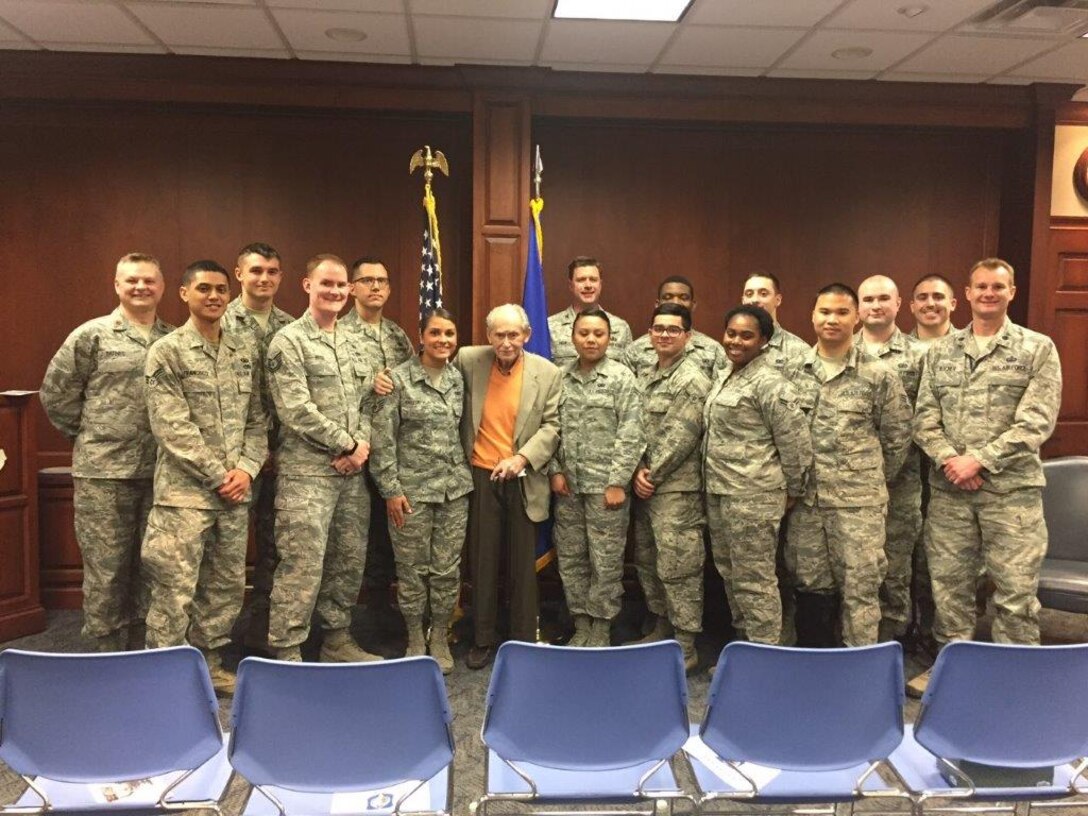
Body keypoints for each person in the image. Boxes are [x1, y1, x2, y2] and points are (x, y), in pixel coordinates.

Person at [910, 258, 1062, 696]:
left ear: (1011, 292)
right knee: (950, 589)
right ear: (969, 292)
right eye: (981, 286)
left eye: (998, 286)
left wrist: (979, 460)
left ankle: (1015, 679)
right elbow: (924, 418)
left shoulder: (1037, 348)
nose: (989, 293)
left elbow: (1036, 422)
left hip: (1011, 495)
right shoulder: (940, 351)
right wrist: (950, 461)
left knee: (1015, 595)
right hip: (950, 492)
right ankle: (953, 674)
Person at [142, 260, 268, 693]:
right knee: (174, 591)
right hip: (184, 498)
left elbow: (258, 420)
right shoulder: (168, 351)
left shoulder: (242, 352)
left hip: (234, 496)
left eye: (220, 289)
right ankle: (166, 674)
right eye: (203, 289)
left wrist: (247, 470)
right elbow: (171, 428)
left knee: (225, 587)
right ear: (184, 294)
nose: (214, 296)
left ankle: (210, 665)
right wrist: (220, 476)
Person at [40, 252, 173, 651]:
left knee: (155, 569)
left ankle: (148, 652)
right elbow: (56, 395)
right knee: (107, 571)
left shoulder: (175, 339)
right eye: (131, 280)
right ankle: (106, 654)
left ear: (162, 287)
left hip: (161, 475)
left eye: (149, 280)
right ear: (117, 285)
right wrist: (91, 438)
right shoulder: (92, 336)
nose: (140, 287)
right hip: (103, 475)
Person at [266, 254, 381, 663]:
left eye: (340, 286)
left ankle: (336, 640)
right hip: (307, 476)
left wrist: (360, 448)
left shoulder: (353, 342)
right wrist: (347, 445)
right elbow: (295, 409)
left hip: (351, 476)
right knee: (301, 565)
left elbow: (369, 401)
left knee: (347, 561)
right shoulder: (289, 341)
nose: (333, 291)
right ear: (307, 286)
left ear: (349, 291)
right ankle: (286, 648)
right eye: (325, 284)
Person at [783, 283, 912, 648]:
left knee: (860, 590)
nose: (832, 319)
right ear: (812, 316)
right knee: (808, 585)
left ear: (856, 318)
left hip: (858, 506)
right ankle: (816, 665)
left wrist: (865, 481)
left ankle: (860, 674)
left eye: (842, 312)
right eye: (825, 311)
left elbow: (898, 438)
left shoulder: (878, 374)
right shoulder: (793, 372)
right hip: (807, 505)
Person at [456, 303, 562, 669]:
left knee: (522, 565)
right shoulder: (468, 360)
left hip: (523, 476)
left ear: (527, 336)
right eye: (499, 334)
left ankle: (521, 640)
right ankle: (482, 638)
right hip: (480, 476)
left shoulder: (547, 372)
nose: (506, 342)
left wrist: (521, 458)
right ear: (488, 336)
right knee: (482, 561)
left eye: (513, 334)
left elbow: (552, 427)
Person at [369, 308, 470, 675]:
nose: (443, 340)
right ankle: (414, 634)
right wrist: (391, 490)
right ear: (421, 336)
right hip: (409, 492)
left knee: (446, 570)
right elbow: (382, 440)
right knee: (411, 569)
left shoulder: (458, 379)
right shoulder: (397, 380)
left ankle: (440, 634)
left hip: (454, 491)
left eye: (449, 334)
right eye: (436, 333)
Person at [704, 305, 812, 645]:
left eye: (746, 335)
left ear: (764, 340)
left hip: (753, 496)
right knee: (731, 574)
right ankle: (743, 648)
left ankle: (766, 656)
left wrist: (793, 489)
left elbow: (795, 443)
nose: (736, 341)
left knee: (755, 580)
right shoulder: (727, 372)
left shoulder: (770, 383)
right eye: (731, 333)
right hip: (720, 492)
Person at [549, 308, 644, 648]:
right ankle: (581, 621)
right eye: (584, 333)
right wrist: (555, 470)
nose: (591, 340)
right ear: (572, 337)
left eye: (598, 334)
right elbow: (549, 429)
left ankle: (602, 624)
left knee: (605, 560)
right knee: (573, 557)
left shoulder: (622, 378)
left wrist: (618, 481)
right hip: (569, 487)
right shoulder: (558, 378)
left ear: (610, 338)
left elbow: (632, 433)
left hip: (607, 489)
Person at [629, 303, 711, 672]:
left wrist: (651, 474)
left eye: (673, 329)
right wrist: (636, 471)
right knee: (648, 560)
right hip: (645, 485)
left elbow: (682, 435)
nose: (664, 334)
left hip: (676, 491)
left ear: (688, 337)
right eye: (658, 328)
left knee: (679, 567)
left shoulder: (691, 379)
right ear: (649, 334)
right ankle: (662, 626)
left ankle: (686, 644)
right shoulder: (647, 373)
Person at [221, 241, 294, 651]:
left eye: (271, 271)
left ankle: (263, 633)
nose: (263, 278)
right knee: (226, 554)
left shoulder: (292, 325)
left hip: (284, 459)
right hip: (234, 462)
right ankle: (219, 641)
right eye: (256, 271)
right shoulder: (220, 320)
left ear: (281, 277)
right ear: (239, 274)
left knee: (276, 547)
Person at [340, 256, 415, 611]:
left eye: (381, 281)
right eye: (367, 280)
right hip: (352, 450)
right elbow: (329, 392)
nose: (375, 287)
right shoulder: (337, 334)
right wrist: (368, 385)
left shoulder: (398, 336)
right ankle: (355, 620)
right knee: (353, 541)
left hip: (393, 452)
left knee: (392, 537)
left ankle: (387, 614)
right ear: (351, 288)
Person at [857, 275, 927, 644]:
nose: (876, 305)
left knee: (895, 563)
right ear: (858, 307)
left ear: (899, 304)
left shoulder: (919, 355)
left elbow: (923, 417)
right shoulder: (839, 349)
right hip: (848, 486)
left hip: (899, 481)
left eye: (884, 298)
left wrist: (883, 472)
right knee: (856, 567)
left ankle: (895, 637)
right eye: (868, 299)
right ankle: (856, 638)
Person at [623, 276, 726, 380]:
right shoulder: (635, 350)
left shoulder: (713, 350)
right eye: (668, 297)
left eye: (684, 298)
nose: (675, 302)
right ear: (657, 304)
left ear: (693, 305)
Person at [548, 256, 633, 367]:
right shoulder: (550, 327)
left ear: (600, 284)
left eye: (593, 280)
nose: (588, 285)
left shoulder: (620, 327)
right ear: (571, 285)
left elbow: (629, 371)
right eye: (581, 280)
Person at [741, 271, 810, 370]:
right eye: (749, 294)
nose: (755, 299)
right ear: (743, 301)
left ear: (778, 300)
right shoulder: (734, 347)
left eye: (763, 294)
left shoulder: (799, 350)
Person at [909, 273, 958, 343]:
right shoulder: (896, 351)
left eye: (938, 297)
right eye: (922, 298)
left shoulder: (972, 346)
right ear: (912, 307)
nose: (930, 304)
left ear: (952, 304)